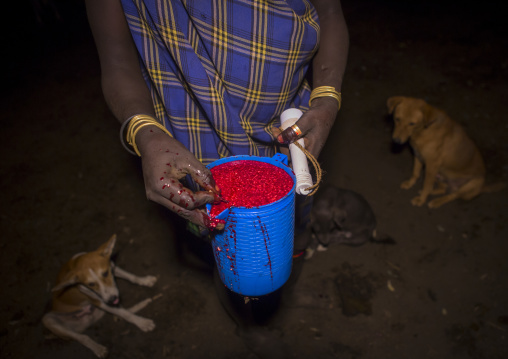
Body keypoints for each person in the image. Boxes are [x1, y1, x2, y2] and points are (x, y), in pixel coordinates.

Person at [85, 0, 348, 356]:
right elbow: (116, 56)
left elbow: (330, 12)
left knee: (293, 232)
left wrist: (328, 96)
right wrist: (144, 132)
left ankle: (282, 294)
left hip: (291, 134)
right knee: (229, 253)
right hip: (194, 145)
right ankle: (249, 324)